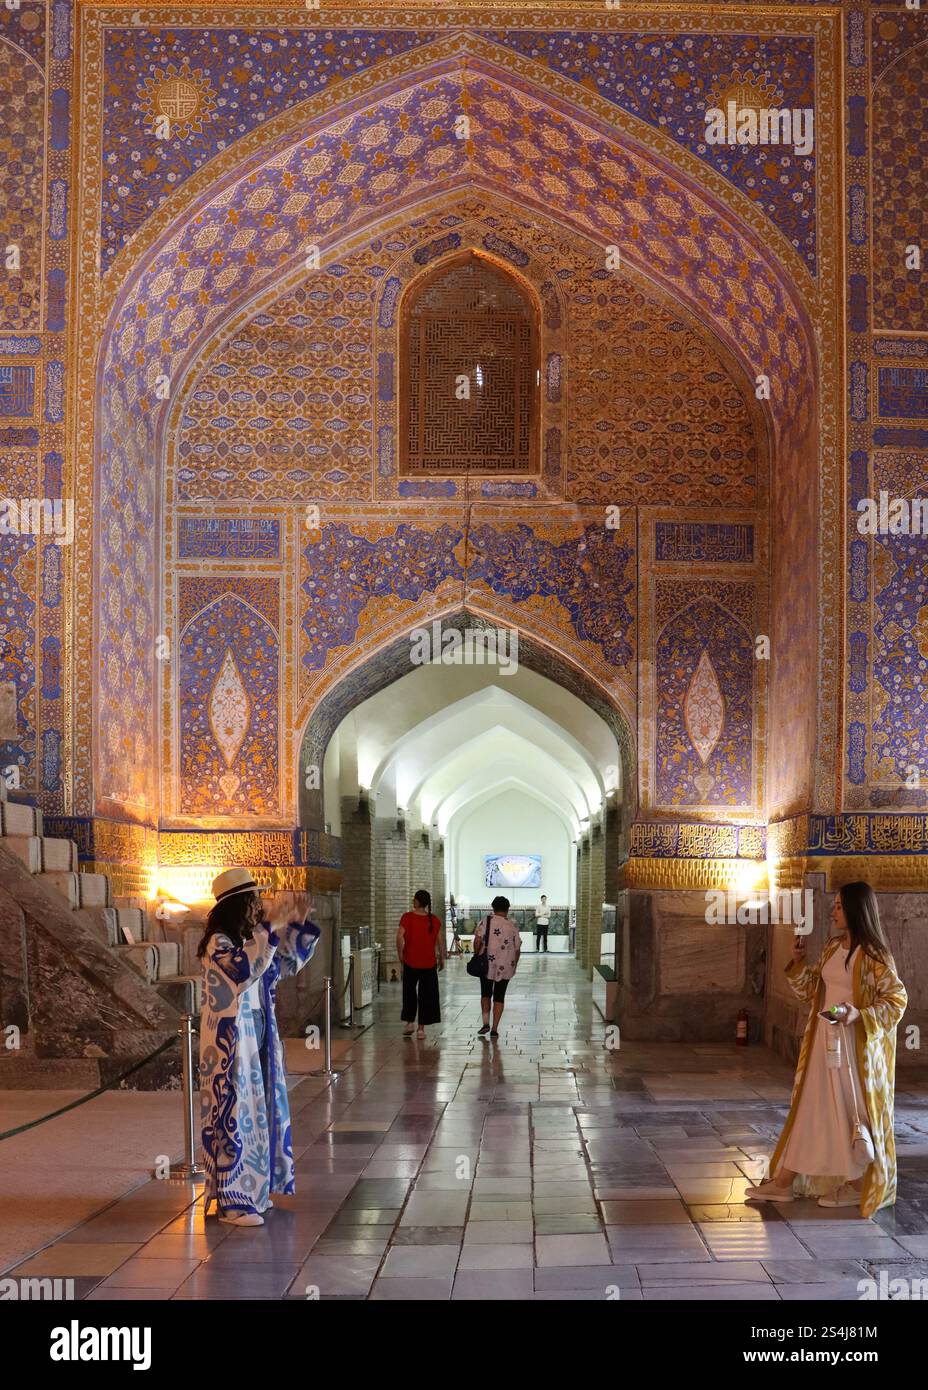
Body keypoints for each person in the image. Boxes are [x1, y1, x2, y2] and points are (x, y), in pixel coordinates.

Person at [748, 881, 906, 1216]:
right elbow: (810, 992)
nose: (832, 911)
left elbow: (896, 1000)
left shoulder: (876, 957)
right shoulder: (833, 948)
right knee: (812, 1107)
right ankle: (785, 1181)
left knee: (851, 1112)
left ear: (853, 910)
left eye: (837, 905)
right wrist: (797, 962)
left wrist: (858, 1014)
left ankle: (856, 1183)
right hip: (823, 1041)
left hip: (854, 1049)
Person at [197, 870, 321, 1227]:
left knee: (259, 1112)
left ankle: (255, 1190)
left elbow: (280, 964)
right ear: (238, 905)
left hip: (259, 1041)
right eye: (253, 901)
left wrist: (297, 925)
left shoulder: (246, 940)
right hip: (231, 1047)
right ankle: (233, 1202)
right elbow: (244, 969)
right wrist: (270, 925)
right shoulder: (218, 944)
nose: (257, 907)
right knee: (236, 1114)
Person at [397, 889, 445, 1040]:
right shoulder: (434, 920)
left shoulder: (407, 917)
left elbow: (399, 936)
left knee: (409, 993)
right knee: (427, 996)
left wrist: (400, 954)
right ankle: (421, 1030)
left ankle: (409, 1023)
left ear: (417, 901)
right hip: (429, 963)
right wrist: (442, 958)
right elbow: (440, 941)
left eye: (414, 899)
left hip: (410, 961)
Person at [473, 894, 521, 1039]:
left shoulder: (485, 921)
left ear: (493, 908)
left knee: (485, 993)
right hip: (506, 965)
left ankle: (486, 1023)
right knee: (499, 996)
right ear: (507, 909)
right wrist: (515, 964)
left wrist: (476, 953)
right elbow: (518, 948)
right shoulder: (512, 925)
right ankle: (494, 1029)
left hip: (487, 964)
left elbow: (477, 940)